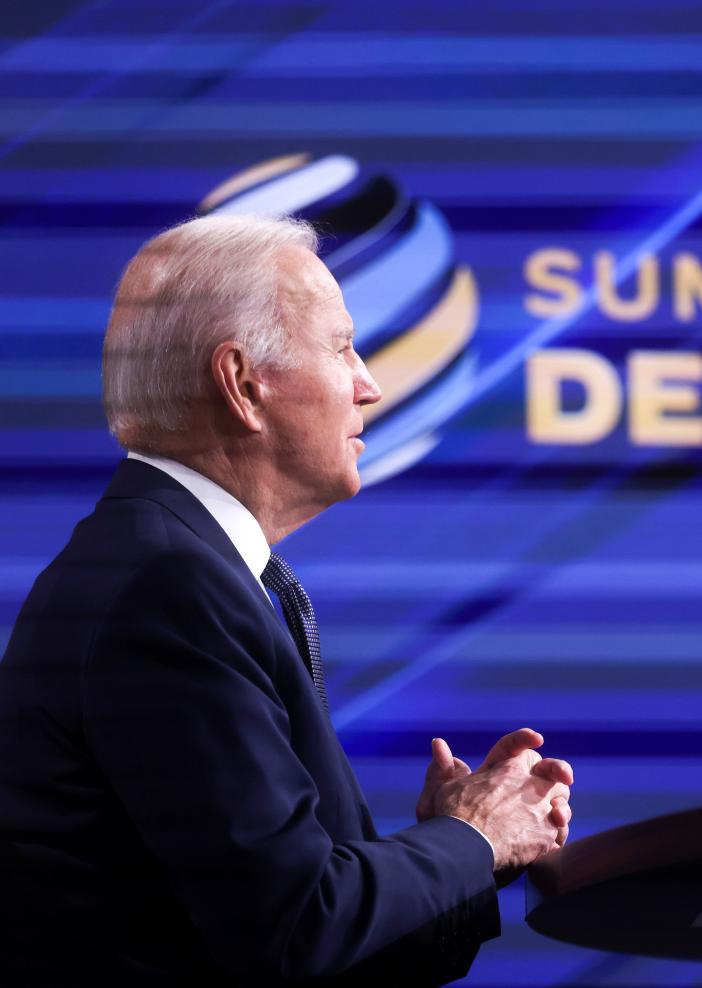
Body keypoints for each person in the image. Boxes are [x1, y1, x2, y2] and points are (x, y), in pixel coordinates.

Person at [0, 214, 572, 985]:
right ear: (243, 385)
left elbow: (319, 929)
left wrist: (463, 846)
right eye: (341, 346)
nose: (369, 385)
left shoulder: (177, 567)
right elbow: (298, 931)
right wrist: (472, 840)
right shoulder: (165, 588)